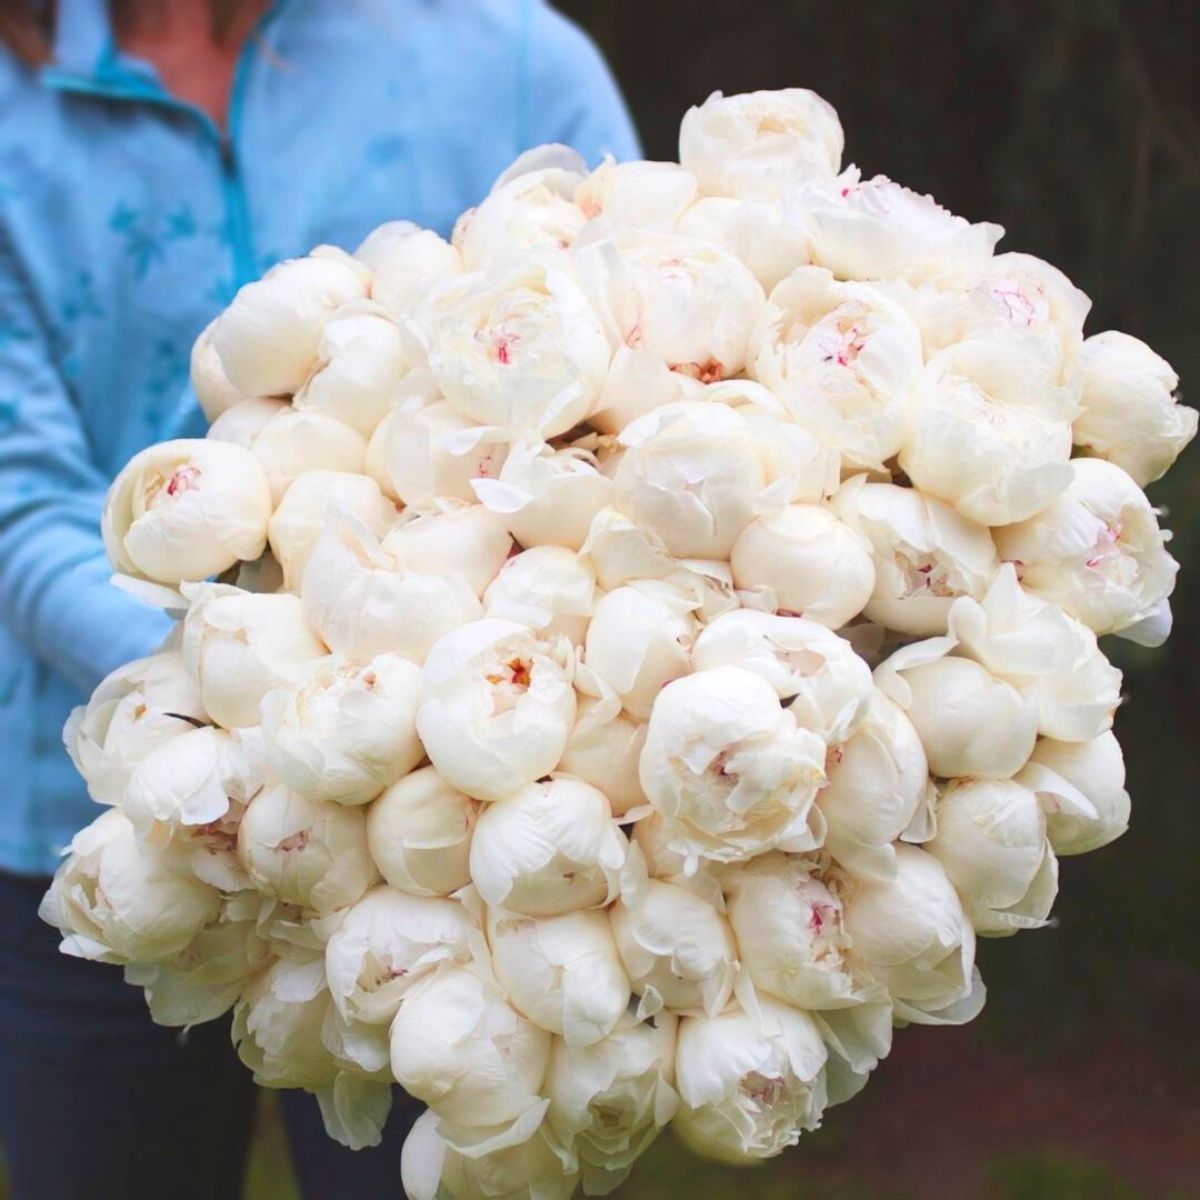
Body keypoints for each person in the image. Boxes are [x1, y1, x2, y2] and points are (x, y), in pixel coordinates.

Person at [0, 2, 639, 1196]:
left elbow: (646, 377)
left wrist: (400, 743)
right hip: (95, 819)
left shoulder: (508, 59)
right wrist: (261, 722)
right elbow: (18, 501)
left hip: (462, 857)